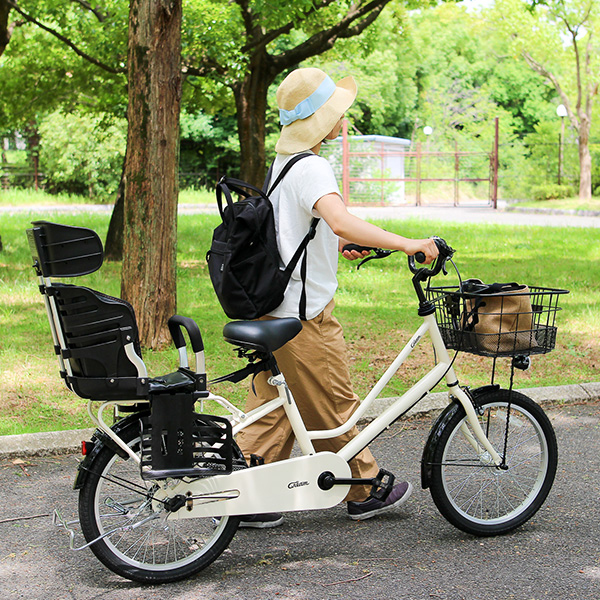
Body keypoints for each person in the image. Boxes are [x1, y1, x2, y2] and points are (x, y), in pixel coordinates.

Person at [235, 67, 439, 528]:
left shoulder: (284, 163)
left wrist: (335, 244)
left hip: (276, 305)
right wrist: (408, 243)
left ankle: (248, 492)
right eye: (336, 113)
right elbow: (341, 219)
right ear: (324, 121)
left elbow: (297, 230)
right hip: (304, 315)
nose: (341, 120)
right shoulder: (312, 166)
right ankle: (365, 488)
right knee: (334, 401)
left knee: (275, 406)